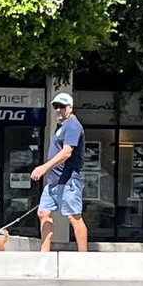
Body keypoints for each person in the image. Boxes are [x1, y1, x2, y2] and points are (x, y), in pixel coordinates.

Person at [30, 92, 88, 252]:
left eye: (62, 107)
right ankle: (45, 253)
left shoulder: (73, 126)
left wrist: (44, 167)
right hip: (54, 181)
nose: (58, 110)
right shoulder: (61, 127)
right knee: (43, 212)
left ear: (70, 108)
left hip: (68, 180)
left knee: (74, 216)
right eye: (56, 107)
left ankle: (84, 257)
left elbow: (67, 152)